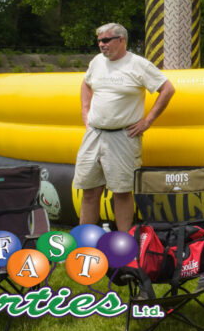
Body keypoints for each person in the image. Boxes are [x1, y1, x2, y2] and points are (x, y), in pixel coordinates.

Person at [75, 23, 175, 232]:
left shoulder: (138, 64)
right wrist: (86, 112)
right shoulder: (97, 62)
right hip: (94, 134)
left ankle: (124, 242)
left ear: (121, 40)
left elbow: (167, 89)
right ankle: (84, 243)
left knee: (121, 192)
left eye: (106, 40)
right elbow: (86, 83)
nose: (101, 45)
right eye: (99, 41)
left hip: (123, 136)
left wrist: (147, 121)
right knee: (90, 190)